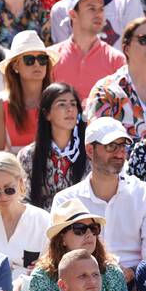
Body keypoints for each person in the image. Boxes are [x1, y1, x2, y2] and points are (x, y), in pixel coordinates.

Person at [51, 117, 146, 279]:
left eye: (123, 145)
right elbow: (57, 254)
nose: (119, 153)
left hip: (136, 284)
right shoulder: (65, 200)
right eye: (111, 146)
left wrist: (132, 272)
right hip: (80, 280)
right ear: (90, 150)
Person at [23, 198, 129, 291]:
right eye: (79, 229)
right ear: (62, 239)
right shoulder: (42, 276)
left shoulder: (111, 271)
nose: (89, 234)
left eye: (93, 228)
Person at [0, 151, 49, 289]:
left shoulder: (41, 219)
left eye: (9, 189)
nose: (3, 196)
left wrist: (43, 266)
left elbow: (51, 264)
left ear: (20, 182)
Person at [20, 81, 86, 209]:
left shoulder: (89, 151)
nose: (70, 109)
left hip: (82, 223)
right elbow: (23, 200)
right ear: (47, 114)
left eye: (73, 104)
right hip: (42, 224)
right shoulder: (28, 155)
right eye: (62, 104)